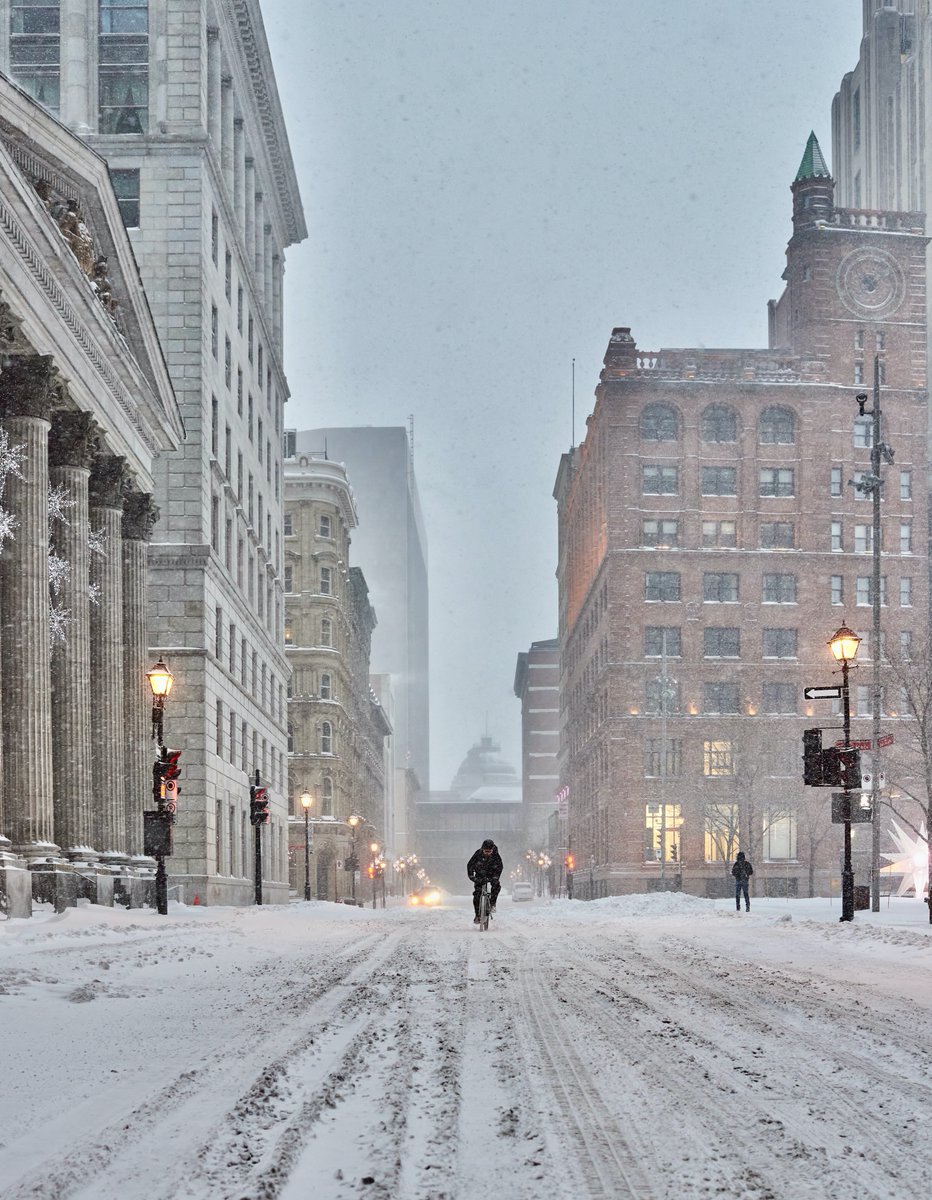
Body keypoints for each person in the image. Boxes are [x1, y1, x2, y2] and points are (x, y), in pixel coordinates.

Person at [467, 838, 503, 923]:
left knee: (496, 886)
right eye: (485, 851)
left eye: (489, 852)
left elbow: (500, 867)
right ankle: (477, 915)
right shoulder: (477, 854)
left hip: (492, 874)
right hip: (480, 875)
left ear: (492, 850)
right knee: (477, 894)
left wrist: (495, 877)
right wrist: (472, 877)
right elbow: (470, 865)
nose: (487, 853)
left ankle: (492, 903)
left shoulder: (496, 856)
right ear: (482, 849)